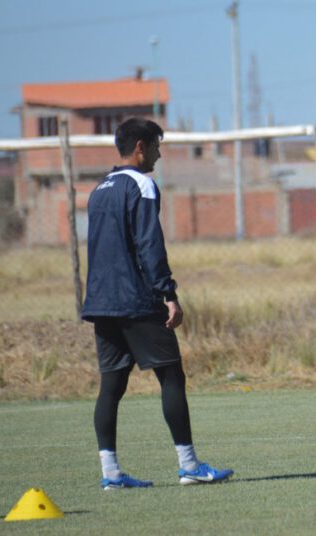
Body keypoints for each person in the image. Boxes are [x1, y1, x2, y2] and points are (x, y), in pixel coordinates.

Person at [82, 118, 234, 489]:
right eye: (156, 146)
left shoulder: (99, 188)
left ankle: (111, 473)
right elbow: (150, 244)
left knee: (111, 387)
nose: (159, 154)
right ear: (140, 147)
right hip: (137, 299)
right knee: (171, 376)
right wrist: (168, 293)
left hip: (102, 302)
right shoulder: (142, 185)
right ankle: (189, 466)